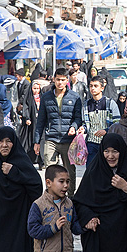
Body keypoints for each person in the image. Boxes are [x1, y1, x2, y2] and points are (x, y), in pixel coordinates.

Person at [34, 68, 84, 196]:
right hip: (51, 139)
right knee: (50, 170)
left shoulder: (75, 97)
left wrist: (73, 126)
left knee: (70, 172)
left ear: (67, 80)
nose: (60, 82)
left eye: (63, 80)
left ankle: (71, 197)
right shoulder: (46, 97)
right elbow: (40, 121)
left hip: (68, 140)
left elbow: (78, 117)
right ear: (54, 80)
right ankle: (52, 197)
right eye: (58, 80)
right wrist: (37, 141)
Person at [81, 76, 121, 159]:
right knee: (91, 169)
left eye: (96, 86)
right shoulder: (86, 104)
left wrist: (106, 131)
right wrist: (83, 129)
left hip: (107, 143)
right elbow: (85, 123)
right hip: (91, 143)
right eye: (91, 86)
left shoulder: (110, 103)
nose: (92, 88)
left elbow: (117, 124)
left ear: (102, 88)